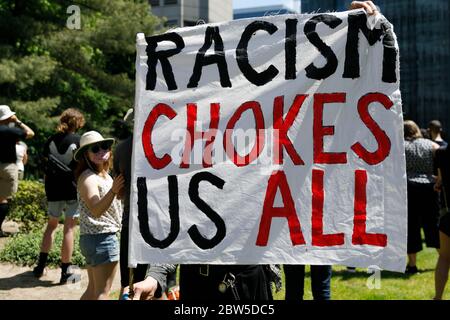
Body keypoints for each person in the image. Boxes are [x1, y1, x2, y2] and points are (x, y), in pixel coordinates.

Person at [33, 108, 85, 283]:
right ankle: (65, 272)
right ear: (78, 123)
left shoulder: (50, 140)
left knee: (51, 226)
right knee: (69, 228)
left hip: (53, 188)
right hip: (71, 188)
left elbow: (45, 166)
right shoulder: (79, 141)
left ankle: (40, 267)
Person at [74, 131, 125, 300]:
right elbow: (96, 210)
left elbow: (111, 202)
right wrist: (113, 191)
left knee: (93, 290)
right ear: (86, 155)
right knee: (103, 293)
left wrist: (116, 192)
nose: (101, 151)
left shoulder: (104, 175)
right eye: (95, 149)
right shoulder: (88, 178)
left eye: (104, 147)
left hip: (94, 239)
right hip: (102, 238)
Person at [113, 108, 150, 298]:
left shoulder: (120, 148)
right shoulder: (162, 145)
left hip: (130, 220)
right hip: (158, 223)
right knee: (151, 282)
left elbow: (119, 191)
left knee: (126, 284)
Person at [404, 120, 441, 274]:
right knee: (433, 224)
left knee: (411, 227)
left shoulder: (401, 146)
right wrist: (439, 179)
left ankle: (412, 265)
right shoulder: (430, 144)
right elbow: (443, 156)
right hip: (429, 187)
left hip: (409, 188)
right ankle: (445, 257)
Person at [0, 105, 34, 236]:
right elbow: (30, 133)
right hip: (8, 167)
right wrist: (17, 121)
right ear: (9, 117)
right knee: (4, 199)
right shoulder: (11, 131)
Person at [433, 147, 450, 300]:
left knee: (444, 257)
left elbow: (439, 180)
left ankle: (438, 297)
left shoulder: (441, 153)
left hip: (447, 214)